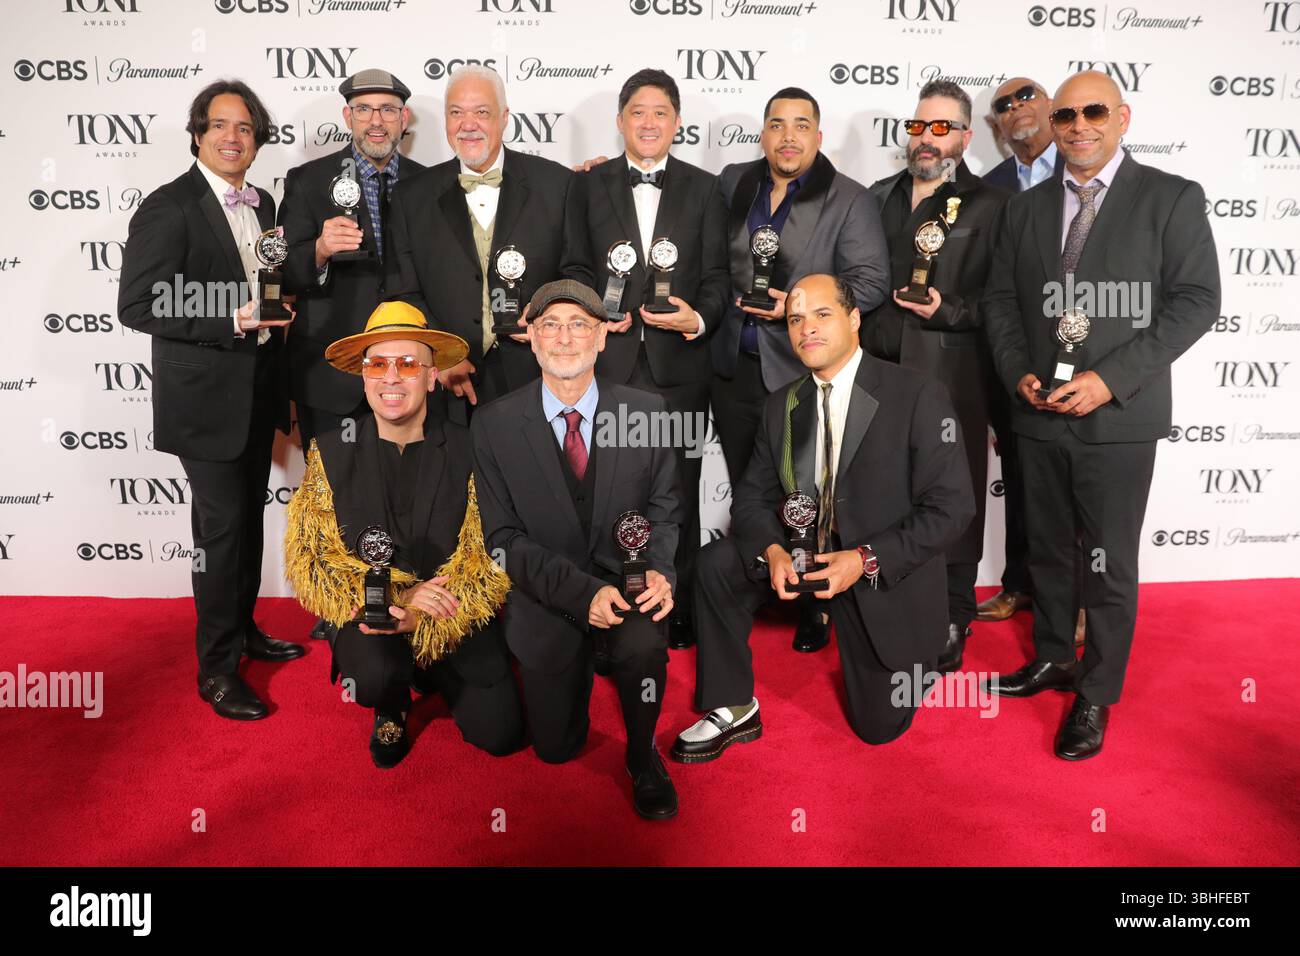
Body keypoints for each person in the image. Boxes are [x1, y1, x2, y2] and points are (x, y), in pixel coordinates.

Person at [981, 71, 1220, 759]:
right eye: (1065, 115)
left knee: (1107, 561)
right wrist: (1016, 369)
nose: (1079, 125)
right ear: (1051, 124)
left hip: (1118, 415)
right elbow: (999, 302)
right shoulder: (1023, 210)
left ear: (1122, 117)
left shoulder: (1170, 198)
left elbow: (1197, 300)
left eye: (1093, 112)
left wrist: (1108, 380)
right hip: (1037, 409)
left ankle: (1097, 691)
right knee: (1049, 551)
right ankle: (1055, 654)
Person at [672, 274, 973, 761]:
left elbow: (952, 508)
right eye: (795, 319)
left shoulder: (917, 394)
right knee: (715, 564)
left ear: (854, 320)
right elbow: (749, 499)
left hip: (875, 568)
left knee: (879, 727)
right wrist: (772, 552)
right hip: (802, 557)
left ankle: (916, 654)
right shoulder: (781, 405)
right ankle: (731, 706)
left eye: (822, 315)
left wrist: (864, 559)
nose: (806, 329)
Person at [118, 79, 302, 721]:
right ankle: (217, 670)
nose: (232, 137)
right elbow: (138, 305)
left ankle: (245, 630)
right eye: (219, 126)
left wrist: (279, 311)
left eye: (245, 128)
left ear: (257, 140)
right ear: (197, 134)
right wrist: (233, 317)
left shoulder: (266, 202)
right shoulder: (169, 207)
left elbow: (269, 283)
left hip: (257, 395)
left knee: (246, 523)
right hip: (205, 405)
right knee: (220, 533)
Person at [471, 279, 684, 820]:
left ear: (602, 337)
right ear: (532, 338)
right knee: (555, 750)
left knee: (642, 646)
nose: (565, 338)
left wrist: (659, 570)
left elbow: (664, 511)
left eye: (579, 325)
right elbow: (501, 541)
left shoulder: (649, 412)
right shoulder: (494, 424)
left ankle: (642, 754)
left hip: (627, 587)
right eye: (551, 326)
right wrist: (580, 593)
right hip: (548, 597)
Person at [284, 302, 523, 767]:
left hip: (449, 611)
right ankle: (391, 702)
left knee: (502, 734)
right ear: (364, 376)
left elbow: (490, 551)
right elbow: (313, 559)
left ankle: (432, 671)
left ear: (432, 376)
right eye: (378, 363)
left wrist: (434, 614)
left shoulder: (472, 447)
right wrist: (399, 599)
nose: (391, 377)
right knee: (373, 675)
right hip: (374, 616)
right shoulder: (331, 451)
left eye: (408, 363)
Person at [713, 86, 890, 654]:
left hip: (801, 372)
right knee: (752, 487)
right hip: (732, 368)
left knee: (808, 493)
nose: (787, 136)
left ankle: (816, 603)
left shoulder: (850, 199)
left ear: (818, 134)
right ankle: (767, 583)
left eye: (800, 125)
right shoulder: (734, 182)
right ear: (762, 133)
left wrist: (797, 302)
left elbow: (869, 283)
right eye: (776, 125)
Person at [564, 68, 729, 651]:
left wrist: (699, 319)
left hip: (679, 370)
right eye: (638, 111)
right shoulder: (586, 186)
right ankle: (603, 602)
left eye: (661, 111)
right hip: (606, 366)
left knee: (677, 490)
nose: (650, 122)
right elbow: (576, 265)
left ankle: (675, 609)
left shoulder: (707, 188)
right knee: (604, 487)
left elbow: (716, 277)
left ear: (677, 122)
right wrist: (591, 309)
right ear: (620, 121)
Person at [863, 80, 1010, 672]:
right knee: (879, 491)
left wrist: (948, 309)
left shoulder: (993, 206)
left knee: (951, 496)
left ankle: (954, 613)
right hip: (876, 376)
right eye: (919, 127)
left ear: (966, 137)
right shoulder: (875, 197)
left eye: (942, 128)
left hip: (952, 379)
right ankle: (880, 597)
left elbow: (1005, 303)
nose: (927, 138)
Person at [279, 68, 426, 643]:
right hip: (331, 365)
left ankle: (411, 590)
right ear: (347, 118)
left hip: (407, 366)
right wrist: (316, 248)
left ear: (404, 119)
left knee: (408, 480)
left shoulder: (429, 181)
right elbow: (281, 269)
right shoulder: (309, 180)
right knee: (338, 482)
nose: (376, 120)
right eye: (364, 110)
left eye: (388, 110)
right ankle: (336, 597)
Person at [385, 64, 592, 423]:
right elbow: (402, 291)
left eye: (481, 112)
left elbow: (578, 271)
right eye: (456, 113)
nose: (468, 124)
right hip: (447, 386)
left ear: (504, 117)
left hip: (538, 376)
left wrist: (547, 310)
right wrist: (442, 355)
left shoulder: (557, 185)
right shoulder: (410, 197)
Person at [978, 76, 1070, 629]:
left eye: (1026, 96)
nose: (1016, 109)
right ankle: (1019, 582)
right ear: (996, 124)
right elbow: (993, 285)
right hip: (1013, 359)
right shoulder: (989, 187)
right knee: (1019, 475)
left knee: (1074, 485)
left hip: (1083, 354)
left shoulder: (1085, 168)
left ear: (1053, 107)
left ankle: (1076, 598)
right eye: (1003, 105)